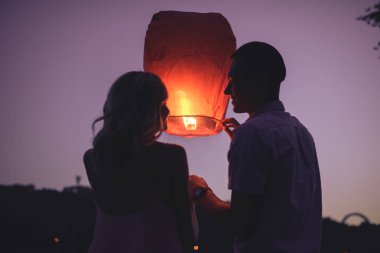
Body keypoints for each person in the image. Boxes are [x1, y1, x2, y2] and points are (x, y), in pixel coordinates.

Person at [190, 42, 322, 253]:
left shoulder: (253, 134)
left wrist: (200, 192)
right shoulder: (300, 132)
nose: (226, 90)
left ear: (258, 80)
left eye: (233, 80)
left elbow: (241, 222)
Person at [83, 71, 196, 253]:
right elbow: (187, 234)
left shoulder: (93, 159)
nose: (168, 111)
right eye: (163, 104)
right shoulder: (172, 157)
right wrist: (194, 195)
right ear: (144, 110)